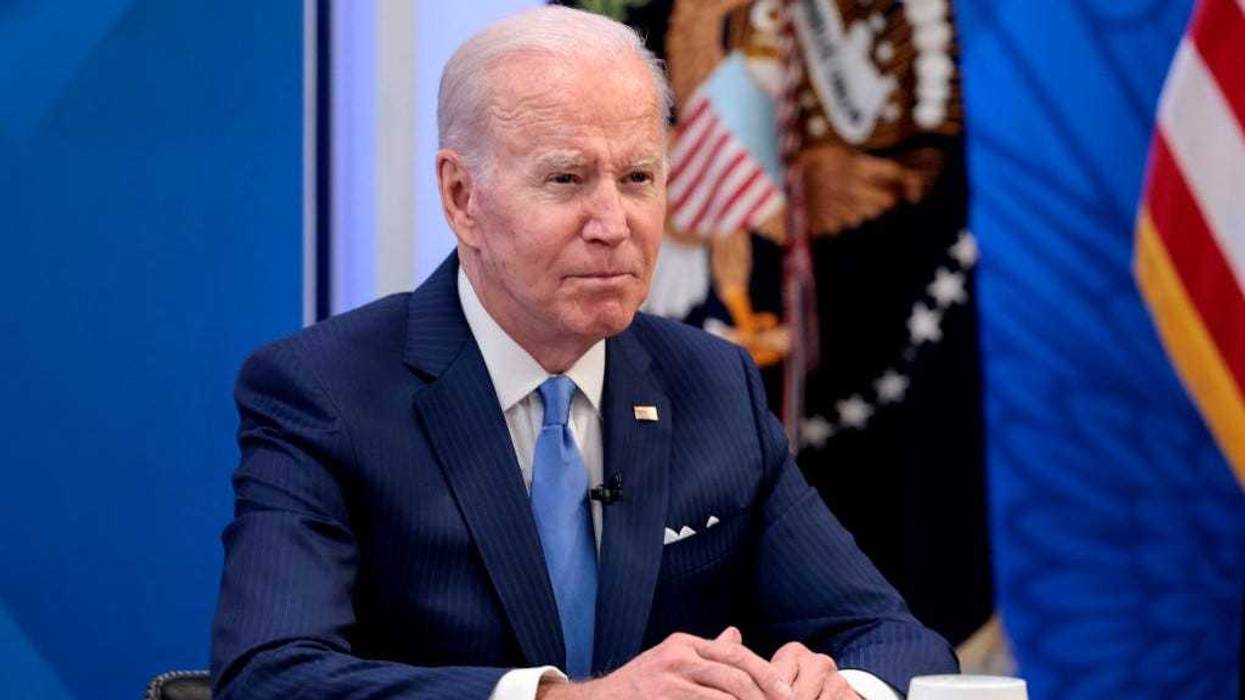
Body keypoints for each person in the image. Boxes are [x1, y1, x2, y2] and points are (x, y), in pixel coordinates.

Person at [210, 6, 957, 699]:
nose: (613, 224)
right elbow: (270, 675)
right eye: (566, 179)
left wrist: (834, 689)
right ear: (461, 196)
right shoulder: (323, 390)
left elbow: (894, 640)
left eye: (638, 178)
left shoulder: (713, 384)